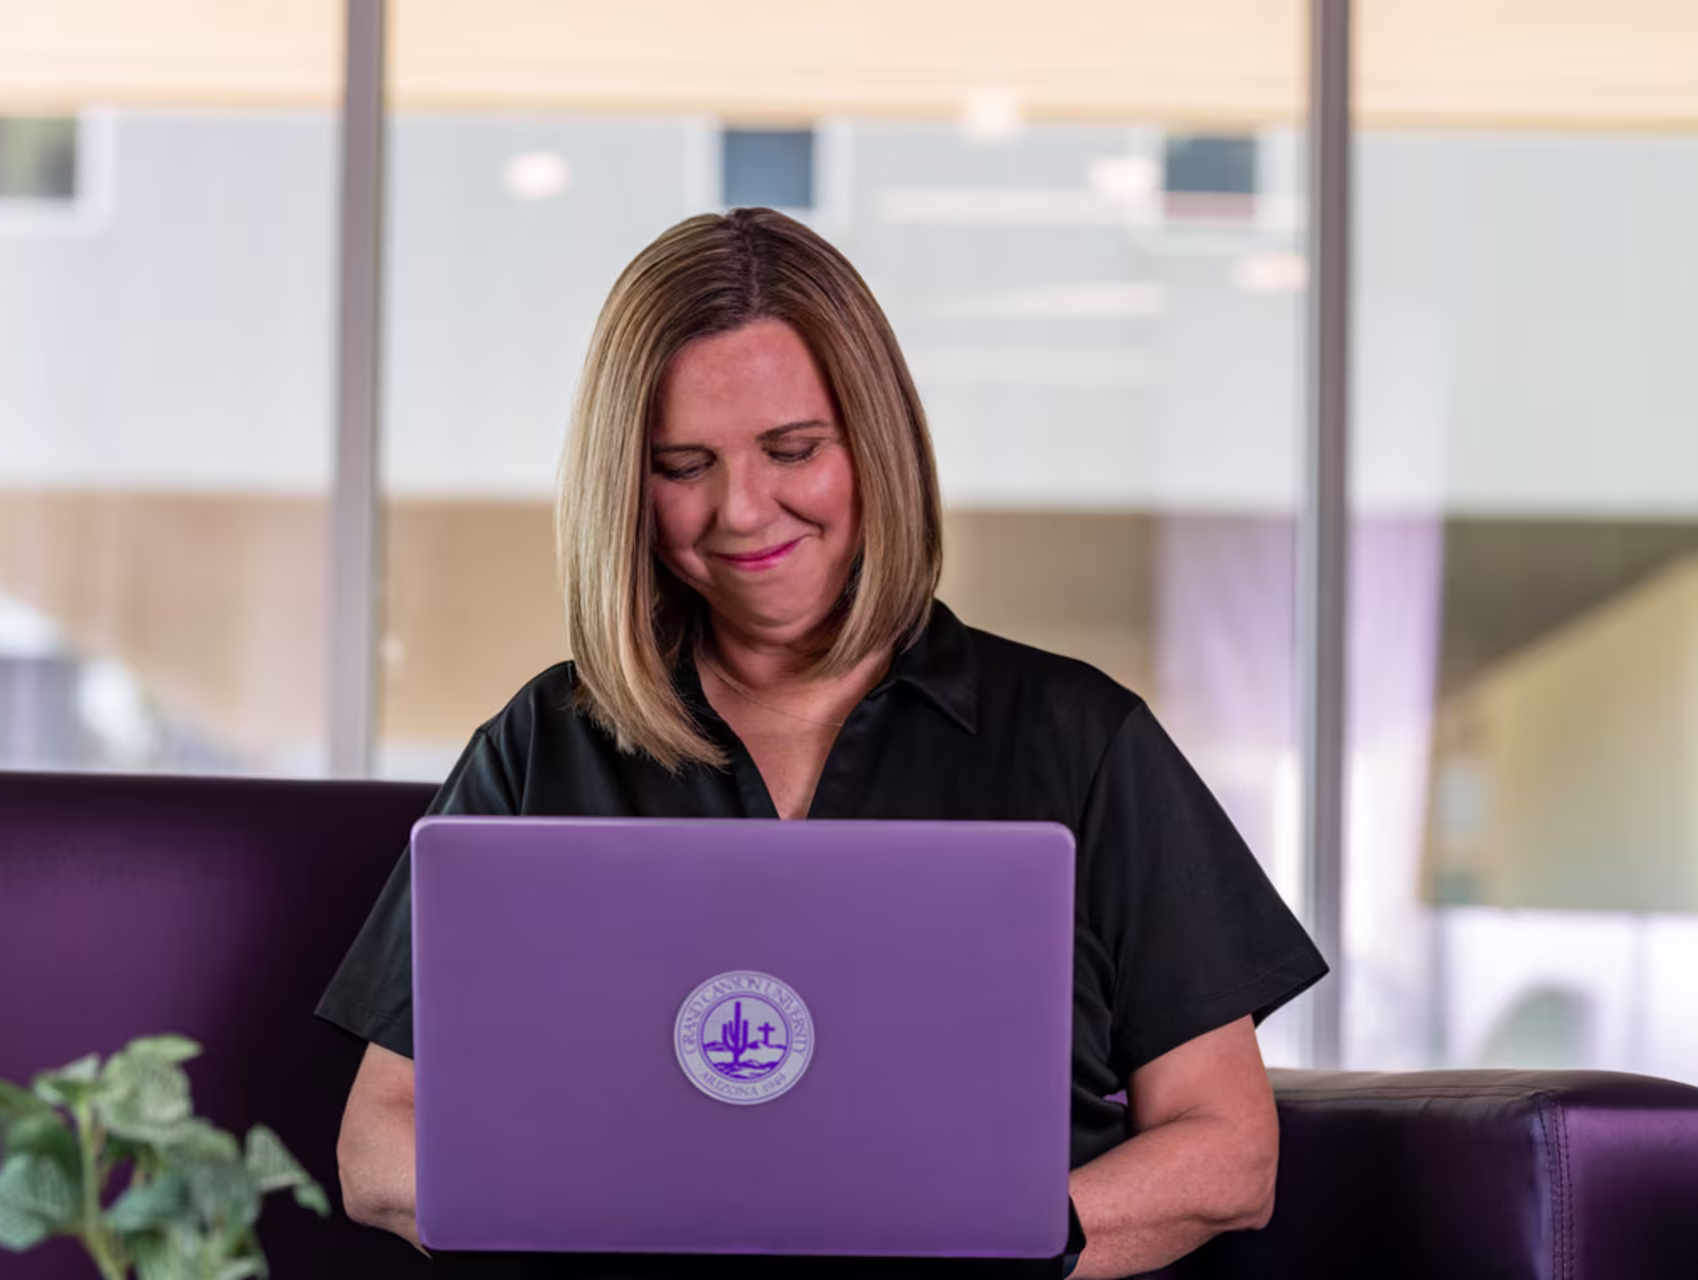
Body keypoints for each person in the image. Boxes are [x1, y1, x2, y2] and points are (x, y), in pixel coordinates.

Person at [316, 207, 1328, 1279]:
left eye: (792, 449)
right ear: (625, 484)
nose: (743, 510)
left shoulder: (1081, 737)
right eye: (682, 464)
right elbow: (379, 1144)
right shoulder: (540, 745)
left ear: (875, 447)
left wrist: (1000, 1236)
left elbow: (1228, 1151)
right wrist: (632, 1217)